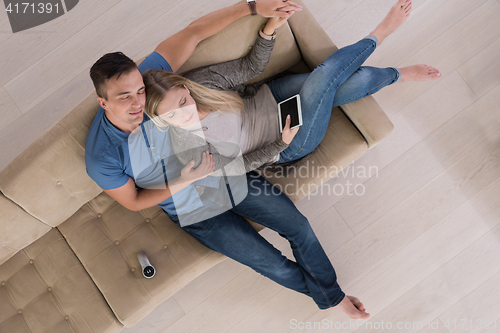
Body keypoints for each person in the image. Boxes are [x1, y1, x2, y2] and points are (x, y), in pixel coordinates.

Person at [85, 0, 370, 319]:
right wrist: (186, 180)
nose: (138, 103)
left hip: (229, 171)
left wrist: (252, 7)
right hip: (191, 207)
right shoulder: (102, 157)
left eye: (138, 90)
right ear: (103, 102)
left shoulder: (151, 84)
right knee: (268, 261)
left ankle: (330, 295)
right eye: (124, 98)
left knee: (298, 226)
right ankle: (333, 297)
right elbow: (135, 201)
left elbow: (192, 33)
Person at [143, 0, 441, 177]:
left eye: (183, 101)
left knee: (347, 80)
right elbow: (237, 167)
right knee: (325, 76)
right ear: (159, 121)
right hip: (288, 139)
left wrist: (269, 28)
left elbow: (249, 69)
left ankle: (397, 75)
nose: (185, 114)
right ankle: (381, 33)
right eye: (172, 116)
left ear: (184, 86)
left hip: (274, 96)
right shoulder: (186, 151)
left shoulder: (201, 84)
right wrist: (281, 144)